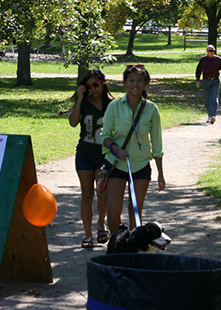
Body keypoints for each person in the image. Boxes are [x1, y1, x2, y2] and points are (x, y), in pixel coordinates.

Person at [101, 65, 165, 233]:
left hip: (141, 165)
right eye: (131, 81)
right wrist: (116, 149)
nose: (135, 85)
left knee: (135, 210)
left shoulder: (151, 109)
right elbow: (105, 137)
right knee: (113, 211)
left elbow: (157, 143)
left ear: (145, 84)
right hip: (117, 164)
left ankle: (133, 250)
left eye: (139, 81)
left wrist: (160, 174)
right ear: (124, 83)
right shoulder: (114, 106)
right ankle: (116, 244)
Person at [69, 69, 113, 248]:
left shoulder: (112, 104)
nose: (93, 89)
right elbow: (72, 122)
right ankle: (88, 233)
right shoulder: (84, 104)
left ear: (103, 83)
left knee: (102, 192)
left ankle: (101, 224)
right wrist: (79, 99)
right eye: (89, 86)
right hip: (85, 154)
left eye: (95, 85)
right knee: (86, 193)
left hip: (104, 155)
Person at [195, 44, 221, 124]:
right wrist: (198, 80)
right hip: (206, 80)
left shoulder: (218, 59)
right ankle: (210, 116)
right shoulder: (203, 59)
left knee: (214, 98)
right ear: (207, 51)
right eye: (210, 51)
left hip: (215, 81)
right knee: (206, 99)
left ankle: (213, 115)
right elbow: (198, 70)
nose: (212, 52)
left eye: (213, 51)